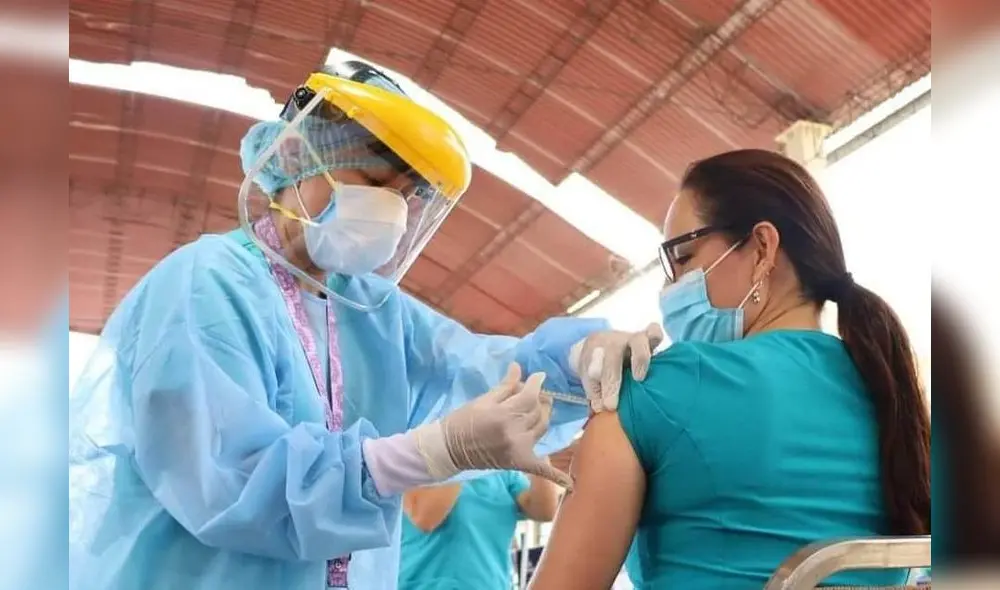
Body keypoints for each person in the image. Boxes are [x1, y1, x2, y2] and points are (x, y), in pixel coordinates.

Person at [68, 61, 663, 590]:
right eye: (375, 184)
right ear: (297, 157)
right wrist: (429, 452)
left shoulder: (371, 310)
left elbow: (484, 370)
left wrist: (580, 359)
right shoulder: (205, 287)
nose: (393, 213)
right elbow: (229, 483)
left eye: (405, 196)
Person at [528, 149, 931, 589]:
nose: (669, 287)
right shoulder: (891, 395)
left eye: (681, 258)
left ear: (762, 248)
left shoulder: (655, 388)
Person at [397, 471, 559, 589]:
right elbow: (426, 517)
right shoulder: (418, 461)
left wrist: (541, 448)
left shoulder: (502, 472)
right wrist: (466, 454)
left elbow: (546, 511)